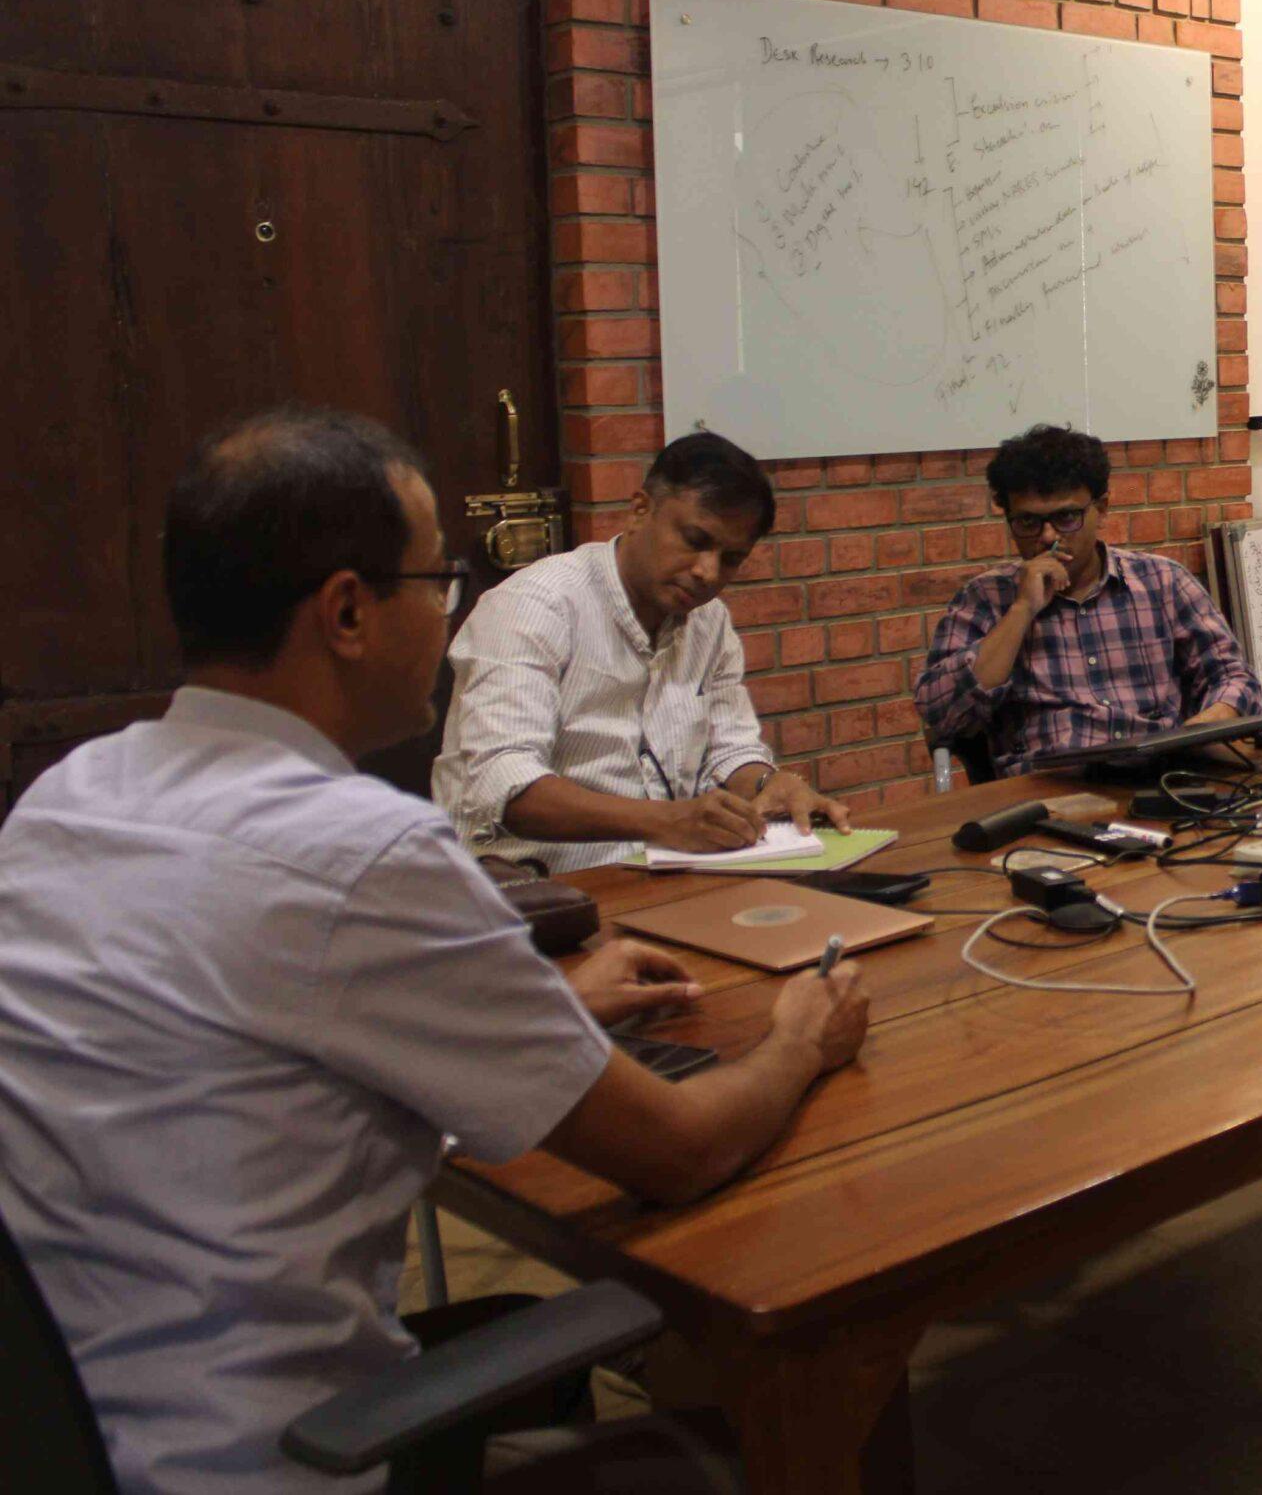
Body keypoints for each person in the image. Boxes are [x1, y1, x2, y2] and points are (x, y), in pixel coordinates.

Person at [0, 408, 872, 1495]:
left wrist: (545, 1010)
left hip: (74, 1421)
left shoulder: (67, 795)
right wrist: (801, 1039)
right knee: (750, 1448)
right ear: (348, 612)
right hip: (275, 1459)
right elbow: (682, 1150)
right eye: (440, 584)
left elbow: (249, 1040)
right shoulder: (367, 854)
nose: (453, 618)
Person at [434, 430, 850, 874]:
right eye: (695, 540)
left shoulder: (709, 622)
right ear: (639, 510)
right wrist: (666, 822)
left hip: (665, 874)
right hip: (529, 886)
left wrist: (770, 784)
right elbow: (505, 783)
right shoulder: (534, 606)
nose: (708, 572)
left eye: (731, 559)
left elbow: (729, 748)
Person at [914, 423, 1262, 776]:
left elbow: (1233, 676)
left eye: (1066, 517)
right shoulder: (985, 598)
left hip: (1161, 776)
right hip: (1048, 787)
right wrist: (1021, 611)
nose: (1048, 537)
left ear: (1102, 508)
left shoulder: (1162, 581)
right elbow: (941, 717)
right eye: (1028, 522)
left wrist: (1196, 734)